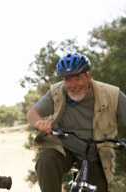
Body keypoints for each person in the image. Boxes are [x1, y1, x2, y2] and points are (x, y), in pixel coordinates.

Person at [27, 52, 126, 192]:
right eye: (68, 79)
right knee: (45, 161)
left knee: (98, 187)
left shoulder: (111, 94)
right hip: (64, 148)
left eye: (77, 78)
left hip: (96, 152)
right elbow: (32, 114)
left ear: (88, 76)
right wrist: (39, 123)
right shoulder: (57, 92)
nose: (73, 85)